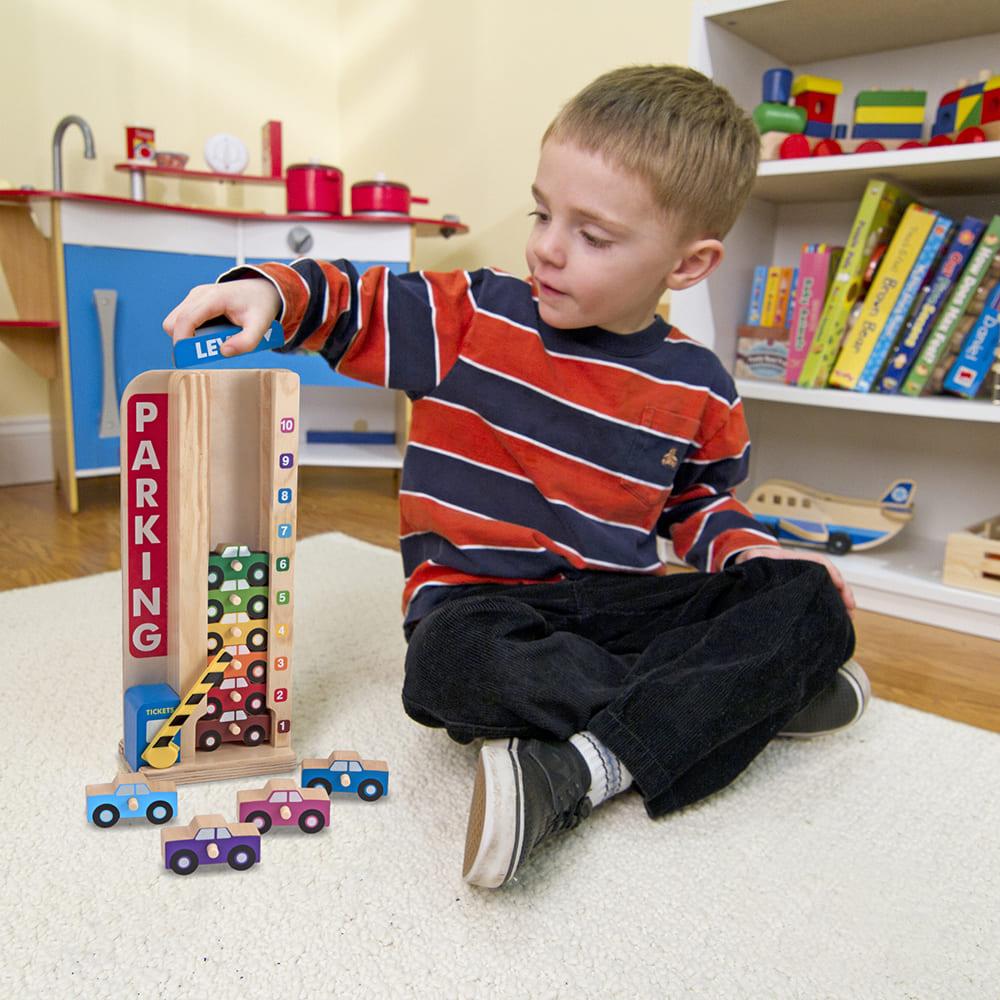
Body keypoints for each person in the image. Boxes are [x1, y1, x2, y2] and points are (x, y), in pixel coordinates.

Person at [164, 64, 866, 890]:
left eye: (593, 235)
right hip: (479, 603)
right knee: (447, 668)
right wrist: (266, 292)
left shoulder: (699, 384)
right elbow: (356, 298)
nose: (547, 246)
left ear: (687, 264)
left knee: (811, 598)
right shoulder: (475, 316)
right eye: (543, 211)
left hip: (613, 606)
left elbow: (702, 505)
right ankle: (721, 704)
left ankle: (585, 763)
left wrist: (754, 558)